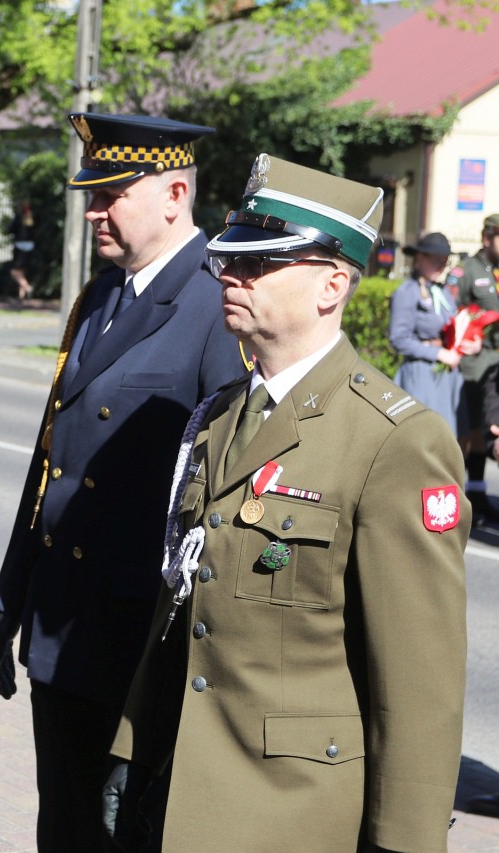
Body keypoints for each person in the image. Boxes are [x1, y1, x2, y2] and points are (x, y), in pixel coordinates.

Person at [103, 154, 467, 853]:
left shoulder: (395, 442)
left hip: (295, 815)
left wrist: (404, 843)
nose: (232, 277)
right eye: (230, 260)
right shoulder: (219, 417)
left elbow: (419, 685)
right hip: (183, 794)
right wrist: (134, 746)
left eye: (260, 264)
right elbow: (182, 604)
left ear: (333, 284)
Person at [0, 113, 244, 851]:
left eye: (111, 194)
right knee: (61, 825)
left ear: (174, 193)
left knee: (121, 834)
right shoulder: (100, 296)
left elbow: (221, 493)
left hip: (136, 640)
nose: (93, 210)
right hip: (64, 621)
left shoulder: (216, 303)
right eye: (90, 195)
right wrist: (11, 596)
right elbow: (49, 463)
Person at [390, 232, 471, 433]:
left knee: (451, 438)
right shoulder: (407, 292)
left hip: (446, 375)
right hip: (422, 374)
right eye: (436, 261)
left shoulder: (442, 292)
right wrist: (439, 354)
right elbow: (399, 339)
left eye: (444, 262)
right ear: (420, 258)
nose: (441, 267)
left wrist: (467, 343)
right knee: (425, 435)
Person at [450, 212, 499, 525]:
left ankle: (478, 495)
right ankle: (452, 495)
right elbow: (452, 315)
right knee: (466, 434)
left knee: (486, 433)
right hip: (473, 366)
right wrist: (470, 338)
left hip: (495, 370)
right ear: (487, 238)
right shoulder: (466, 271)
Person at [9, 200, 35, 300]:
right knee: (22, 271)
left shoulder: (19, 218)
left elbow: (11, 229)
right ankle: (21, 297)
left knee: (14, 272)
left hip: (20, 246)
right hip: (30, 247)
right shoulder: (31, 219)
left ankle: (27, 287)